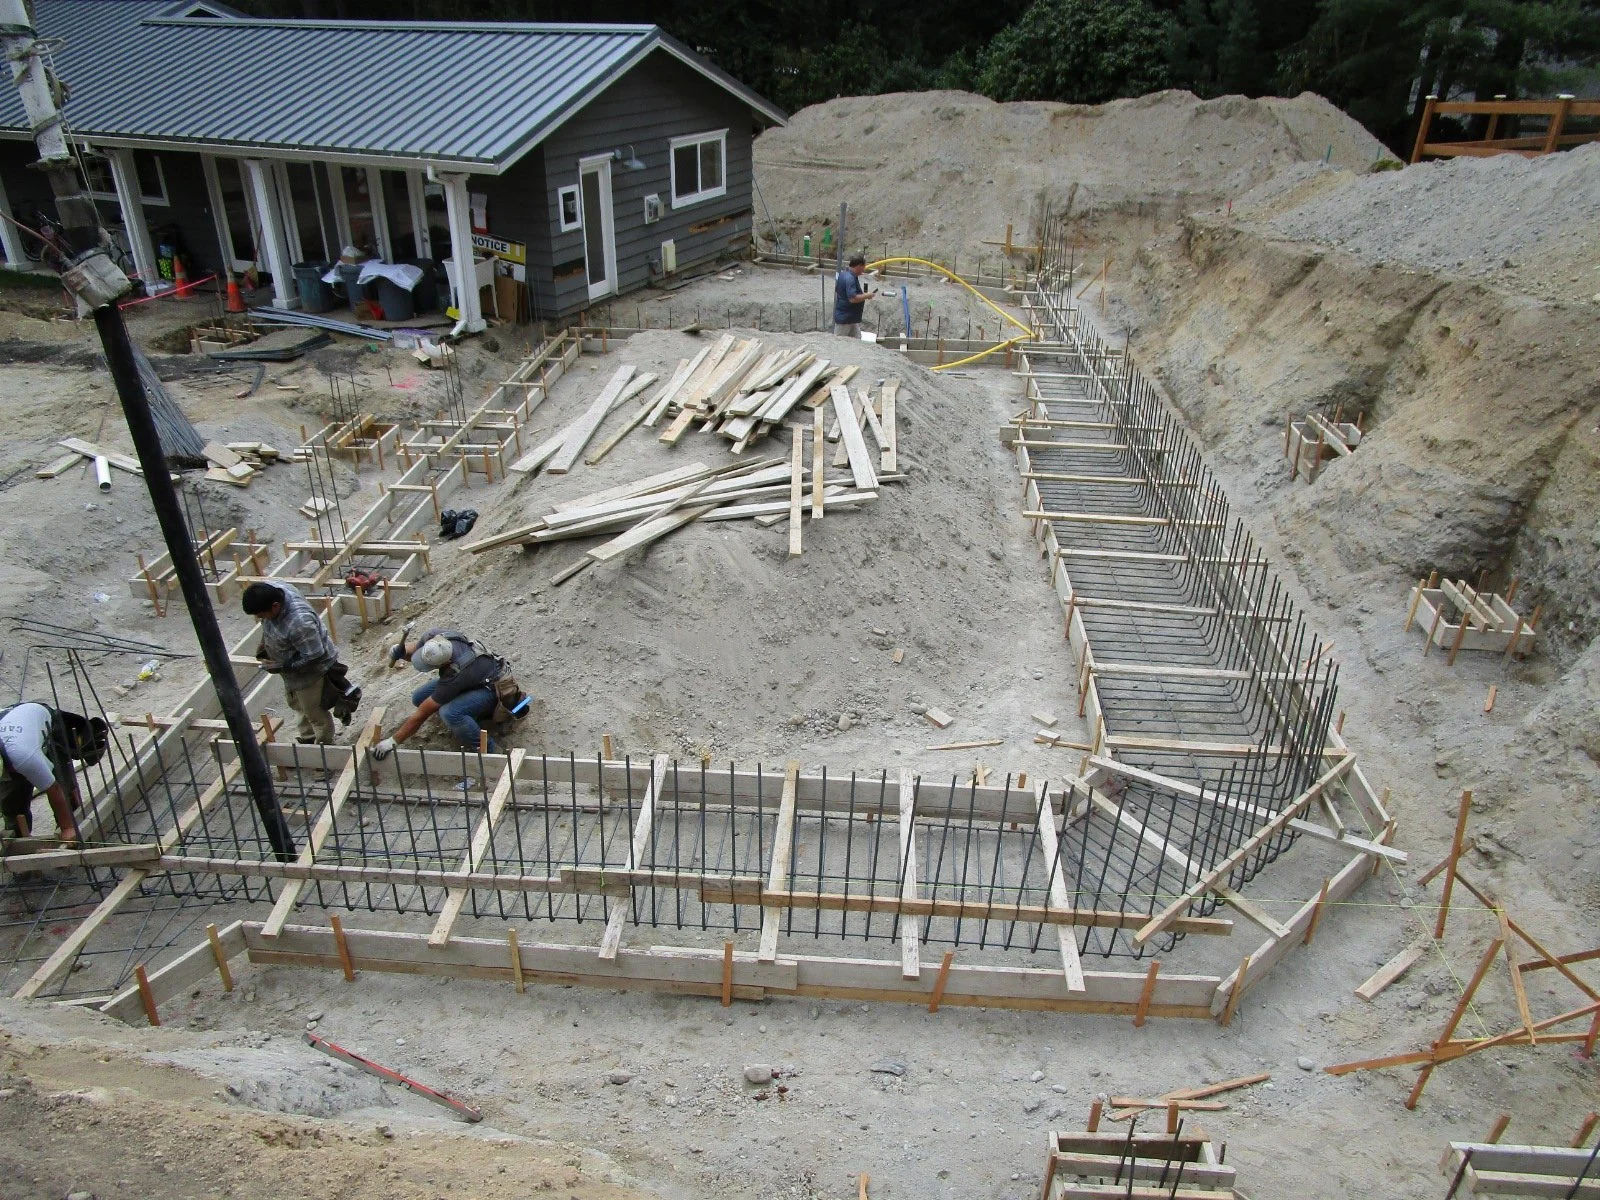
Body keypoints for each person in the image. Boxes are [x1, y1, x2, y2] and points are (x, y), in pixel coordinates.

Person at [373, 628, 524, 758]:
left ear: (445, 663)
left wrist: (392, 741)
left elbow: (421, 715)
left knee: (449, 712)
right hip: (474, 678)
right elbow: (415, 649)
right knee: (419, 697)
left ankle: (488, 748)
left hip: (493, 688)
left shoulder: (455, 676)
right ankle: (465, 717)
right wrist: (401, 651)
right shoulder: (436, 637)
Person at [242, 581, 342, 745]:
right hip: (292, 668)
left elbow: (315, 655)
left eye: (261, 615)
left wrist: (283, 666)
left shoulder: (299, 623)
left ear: (275, 606)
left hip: (311, 671)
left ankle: (325, 747)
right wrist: (264, 643)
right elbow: (267, 623)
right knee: (297, 704)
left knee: (314, 711)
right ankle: (308, 739)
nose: (260, 619)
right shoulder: (276, 588)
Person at [1, 702, 108, 844]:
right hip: (14, 725)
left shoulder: (24, 756)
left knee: (64, 788)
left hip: (43, 723)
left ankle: (76, 833)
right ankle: (16, 839)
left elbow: (54, 789)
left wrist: (67, 828)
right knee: (12, 804)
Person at [833, 253, 876, 337]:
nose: (863, 270)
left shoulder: (846, 274)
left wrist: (863, 295)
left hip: (851, 318)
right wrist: (867, 295)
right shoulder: (850, 278)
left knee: (857, 340)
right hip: (845, 319)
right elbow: (853, 298)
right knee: (839, 343)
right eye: (863, 267)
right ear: (859, 266)